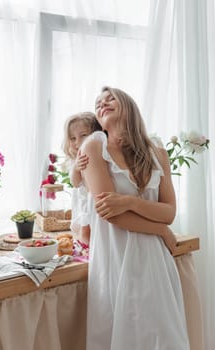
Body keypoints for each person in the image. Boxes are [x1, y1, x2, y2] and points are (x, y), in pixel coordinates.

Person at [80, 86, 190, 349]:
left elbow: (169, 211)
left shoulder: (157, 150)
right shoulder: (95, 145)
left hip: (156, 260)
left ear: (128, 105)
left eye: (110, 99)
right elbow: (110, 215)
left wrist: (129, 201)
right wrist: (161, 231)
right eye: (98, 103)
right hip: (116, 257)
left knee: (164, 339)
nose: (102, 104)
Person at [62, 112, 102, 245]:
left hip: (95, 196)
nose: (77, 142)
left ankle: (92, 247)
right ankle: (85, 248)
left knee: (97, 229)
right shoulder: (75, 159)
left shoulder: (98, 152)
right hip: (84, 199)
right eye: (72, 138)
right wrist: (76, 168)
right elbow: (75, 182)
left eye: (83, 135)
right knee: (85, 228)